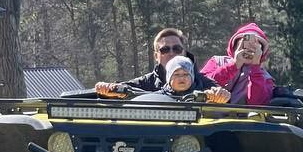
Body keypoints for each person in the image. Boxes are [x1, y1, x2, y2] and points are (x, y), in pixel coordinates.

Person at [95, 27, 229, 100]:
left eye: (176, 49)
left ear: (184, 52)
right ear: (156, 56)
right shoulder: (146, 82)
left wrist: (221, 95)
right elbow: (121, 89)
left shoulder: (202, 82)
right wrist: (106, 89)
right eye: (165, 49)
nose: (171, 53)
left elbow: (223, 96)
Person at [200, 23, 276, 105]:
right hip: (208, 115)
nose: (249, 48)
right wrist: (234, 65)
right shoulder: (217, 61)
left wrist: (255, 68)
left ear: (261, 51)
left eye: (255, 45)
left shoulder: (265, 78)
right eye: (244, 43)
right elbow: (200, 85)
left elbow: (257, 104)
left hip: (242, 117)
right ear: (235, 45)